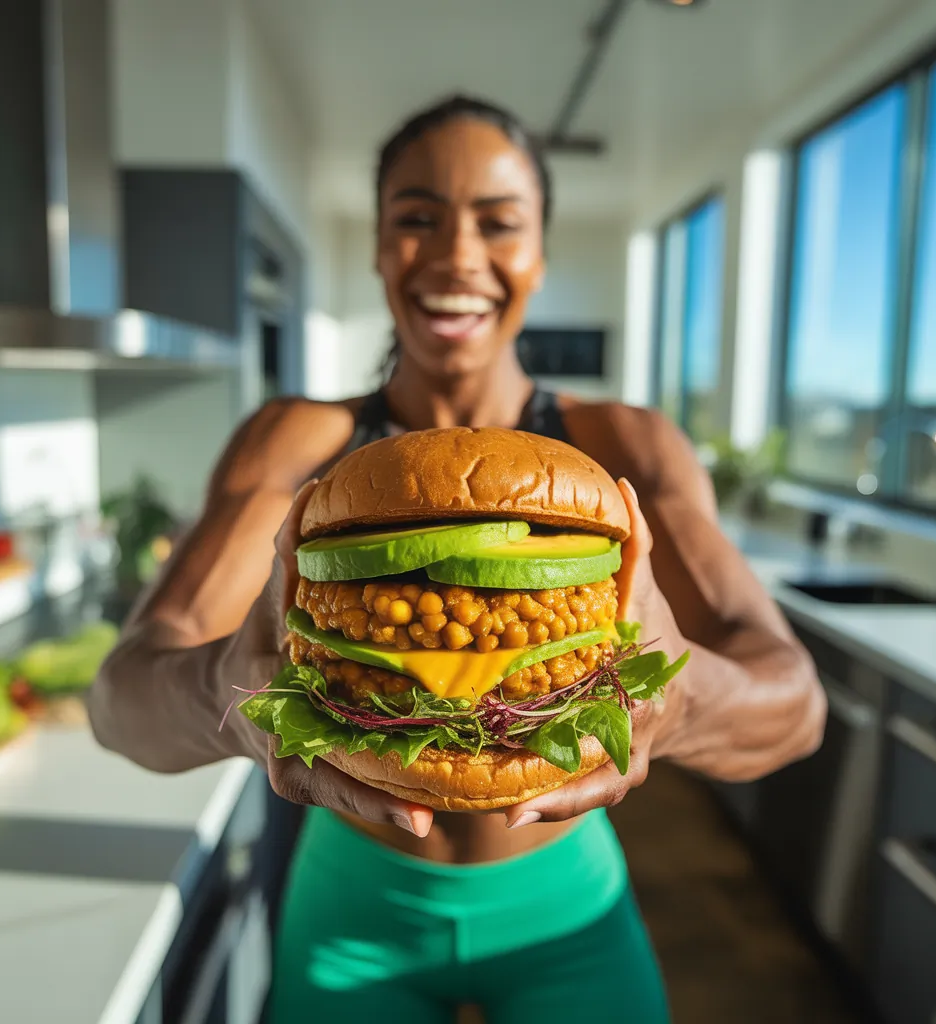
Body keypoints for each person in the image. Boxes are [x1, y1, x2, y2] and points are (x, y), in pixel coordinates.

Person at [90, 95, 826, 1023]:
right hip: (353, 903)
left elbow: (796, 705)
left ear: (540, 253)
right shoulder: (296, 445)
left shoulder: (626, 452)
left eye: (498, 222)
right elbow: (118, 699)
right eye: (418, 218)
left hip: (568, 904)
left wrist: (677, 701)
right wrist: (228, 699)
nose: (456, 256)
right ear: (378, 248)